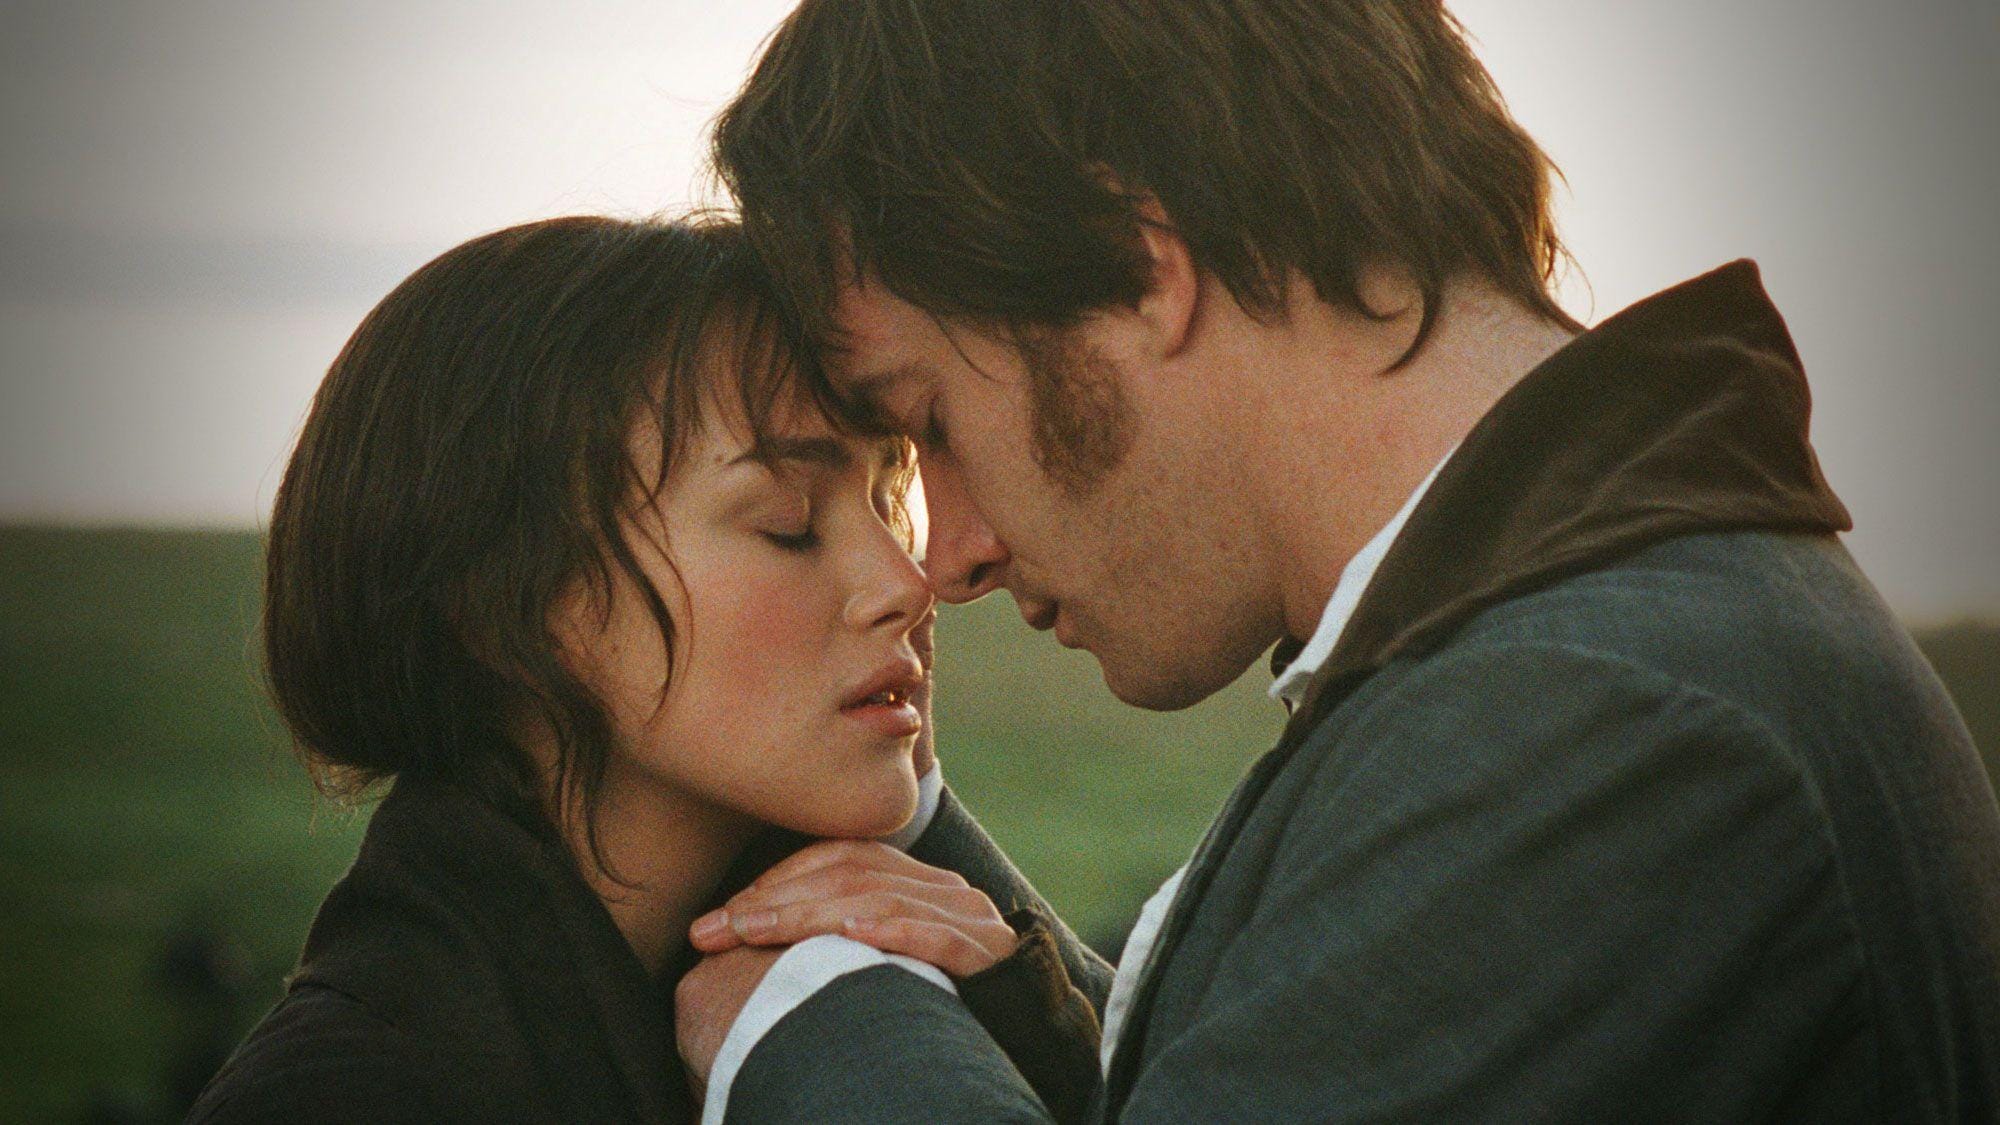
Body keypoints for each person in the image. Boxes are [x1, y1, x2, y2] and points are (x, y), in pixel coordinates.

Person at [677, 1, 2000, 1119]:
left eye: (929, 422)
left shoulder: (1607, 723)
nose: (949, 557)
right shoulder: (1608, 643)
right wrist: (1012, 974)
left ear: (1139, 272)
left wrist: (817, 1021)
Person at [188, 216, 1107, 1123]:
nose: (908, 581)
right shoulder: (346, 1095)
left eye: (884, 502)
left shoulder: (815, 967)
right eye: (789, 521)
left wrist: (1033, 1015)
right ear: (509, 605)